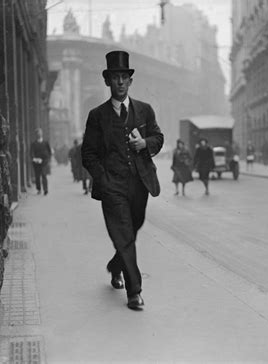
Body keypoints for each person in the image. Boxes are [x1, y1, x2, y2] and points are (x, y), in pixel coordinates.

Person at [81, 50, 164, 310]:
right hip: (112, 186)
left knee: (133, 228)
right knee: (124, 235)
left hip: (140, 184)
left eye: (123, 78)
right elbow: (88, 154)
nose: (119, 82)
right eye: (114, 77)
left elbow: (159, 139)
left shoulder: (145, 110)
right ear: (107, 81)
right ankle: (134, 291)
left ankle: (116, 265)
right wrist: (103, 180)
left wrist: (144, 143)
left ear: (130, 82)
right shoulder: (98, 116)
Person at [30, 128, 52, 195]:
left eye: (40, 133)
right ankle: (39, 189)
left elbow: (49, 151)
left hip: (44, 162)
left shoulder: (45, 143)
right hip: (36, 162)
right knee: (37, 176)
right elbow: (31, 152)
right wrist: (34, 158)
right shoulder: (34, 143)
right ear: (36, 135)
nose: (39, 134)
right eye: (37, 133)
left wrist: (48, 159)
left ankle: (45, 190)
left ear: (42, 134)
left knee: (44, 175)